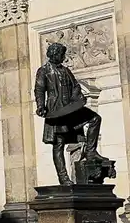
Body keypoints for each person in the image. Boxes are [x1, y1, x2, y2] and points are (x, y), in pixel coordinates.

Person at [34, 42, 103, 185]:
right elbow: (39, 89)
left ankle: (90, 151)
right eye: (61, 54)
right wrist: (40, 105)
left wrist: (76, 97)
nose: (64, 57)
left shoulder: (66, 71)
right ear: (54, 54)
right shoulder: (44, 71)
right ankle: (63, 177)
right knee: (58, 143)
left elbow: (76, 86)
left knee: (95, 119)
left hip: (71, 108)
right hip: (56, 110)